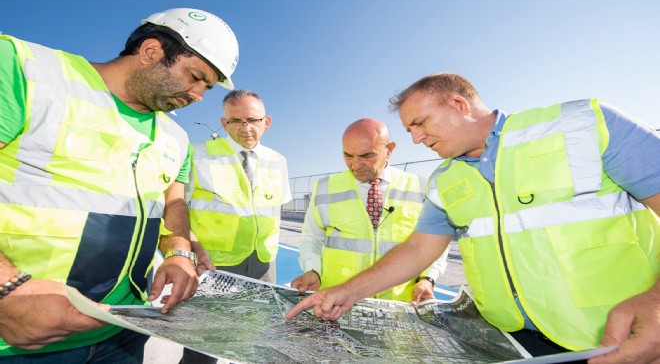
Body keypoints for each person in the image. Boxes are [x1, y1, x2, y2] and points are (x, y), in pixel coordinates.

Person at [286, 73, 660, 364]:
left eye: (421, 122)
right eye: (409, 130)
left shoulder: (583, 126)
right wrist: (345, 291)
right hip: (506, 342)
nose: (416, 139)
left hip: (616, 338)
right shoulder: (445, 180)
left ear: (459, 103)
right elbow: (418, 248)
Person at [0, 7, 240, 363]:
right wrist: (8, 291)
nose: (198, 95)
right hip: (23, 335)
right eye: (195, 77)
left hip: (123, 330)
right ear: (151, 52)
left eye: (206, 86)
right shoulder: (24, 69)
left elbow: (172, 204)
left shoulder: (176, 137)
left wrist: (178, 252)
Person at [182, 89, 291, 364]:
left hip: (263, 264)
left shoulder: (278, 162)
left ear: (266, 122)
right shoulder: (198, 155)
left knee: (257, 336)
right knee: (204, 343)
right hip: (213, 265)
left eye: (252, 120)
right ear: (223, 124)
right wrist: (190, 247)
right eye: (236, 121)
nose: (245, 128)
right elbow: (174, 208)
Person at [290, 118, 448, 303]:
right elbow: (312, 237)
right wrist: (312, 269)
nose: (355, 165)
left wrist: (428, 278)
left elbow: (436, 241)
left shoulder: (422, 187)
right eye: (348, 155)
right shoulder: (324, 188)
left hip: (399, 305)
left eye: (366, 156)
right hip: (335, 302)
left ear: (390, 150)